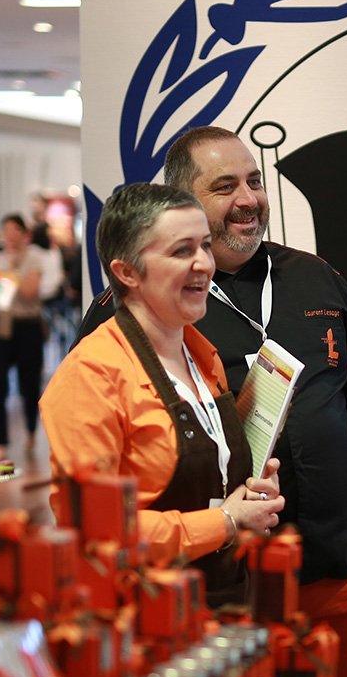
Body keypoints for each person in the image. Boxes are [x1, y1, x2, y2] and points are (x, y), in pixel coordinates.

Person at [77, 127, 347, 677]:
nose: (248, 199)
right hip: (224, 584)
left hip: (341, 567)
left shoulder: (316, 278)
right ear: (183, 203)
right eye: (225, 186)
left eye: (254, 181)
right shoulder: (137, 315)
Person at [41, 183, 284, 606]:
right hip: (139, 618)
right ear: (127, 273)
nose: (204, 263)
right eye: (181, 251)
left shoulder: (202, 357)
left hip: (222, 605)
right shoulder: (92, 375)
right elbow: (96, 532)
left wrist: (249, 496)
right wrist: (225, 521)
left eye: (204, 246)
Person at [0, 213, 47, 458]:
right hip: (0, 326)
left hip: (27, 326)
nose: (9, 235)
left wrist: (11, 271)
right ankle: (0, 441)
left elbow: (30, 293)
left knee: (29, 383)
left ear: (24, 233)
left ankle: (30, 430)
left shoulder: (34, 258)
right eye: (5, 230)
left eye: (14, 230)